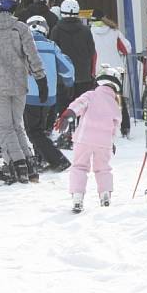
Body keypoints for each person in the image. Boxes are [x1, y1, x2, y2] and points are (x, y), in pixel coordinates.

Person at [0, 0, 48, 183]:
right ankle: (30, 165)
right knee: (17, 125)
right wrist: (41, 80)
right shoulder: (20, 28)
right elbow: (33, 56)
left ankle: (17, 164)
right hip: (19, 84)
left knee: (4, 128)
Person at [55, 67, 122, 213]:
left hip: (84, 139)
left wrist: (69, 114)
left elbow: (79, 104)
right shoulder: (115, 104)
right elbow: (116, 125)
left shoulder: (91, 95)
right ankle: (105, 196)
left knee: (79, 167)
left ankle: (78, 198)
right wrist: (112, 142)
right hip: (104, 143)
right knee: (103, 168)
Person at [25, 16, 74, 172]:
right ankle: (41, 159)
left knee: (33, 131)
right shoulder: (51, 46)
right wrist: (68, 83)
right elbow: (67, 68)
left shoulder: (23, 46)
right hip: (50, 96)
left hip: (30, 94)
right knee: (42, 130)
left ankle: (58, 159)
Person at [90, 9, 131, 136]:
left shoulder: (90, 32)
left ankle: (102, 127)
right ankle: (125, 128)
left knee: (99, 98)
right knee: (118, 98)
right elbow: (127, 49)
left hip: (99, 70)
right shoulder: (114, 31)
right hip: (116, 70)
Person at [50, 0, 96, 100]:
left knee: (64, 111)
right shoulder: (86, 30)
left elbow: (53, 55)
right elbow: (91, 52)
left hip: (63, 78)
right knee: (82, 109)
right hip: (83, 77)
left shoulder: (56, 30)